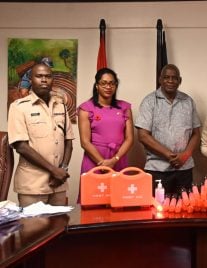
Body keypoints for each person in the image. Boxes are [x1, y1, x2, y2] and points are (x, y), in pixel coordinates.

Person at [7, 63, 73, 206]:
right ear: (30, 80)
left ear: (52, 80)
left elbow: (68, 143)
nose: (44, 80)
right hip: (33, 185)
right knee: (33, 228)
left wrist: (63, 170)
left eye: (48, 76)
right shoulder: (18, 107)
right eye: (39, 76)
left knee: (60, 226)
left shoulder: (60, 105)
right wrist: (54, 170)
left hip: (58, 184)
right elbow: (21, 146)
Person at [135, 64, 201, 195]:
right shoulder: (149, 101)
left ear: (179, 80)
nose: (170, 81)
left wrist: (185, 156)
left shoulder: (188, 101)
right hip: (157, 169)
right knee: (158, 211)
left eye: (174, 78)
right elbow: (143, 136)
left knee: (185, 210)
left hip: (184, 169)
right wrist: (170, 156)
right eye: (166, 77)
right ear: (160, 79)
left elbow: (196, 133)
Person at [78, 68, 133, 174]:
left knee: (119, 190)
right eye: (104, 83)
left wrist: (114, 160)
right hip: (94, 161)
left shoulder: (125, 107)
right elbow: (85, 142)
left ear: (116, 86)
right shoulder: (85, 108)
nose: (108, 87)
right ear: (97, 86)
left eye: (112, 83)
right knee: (93, 190)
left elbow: (129, 138)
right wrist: (102, 163)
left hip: (118, 159)